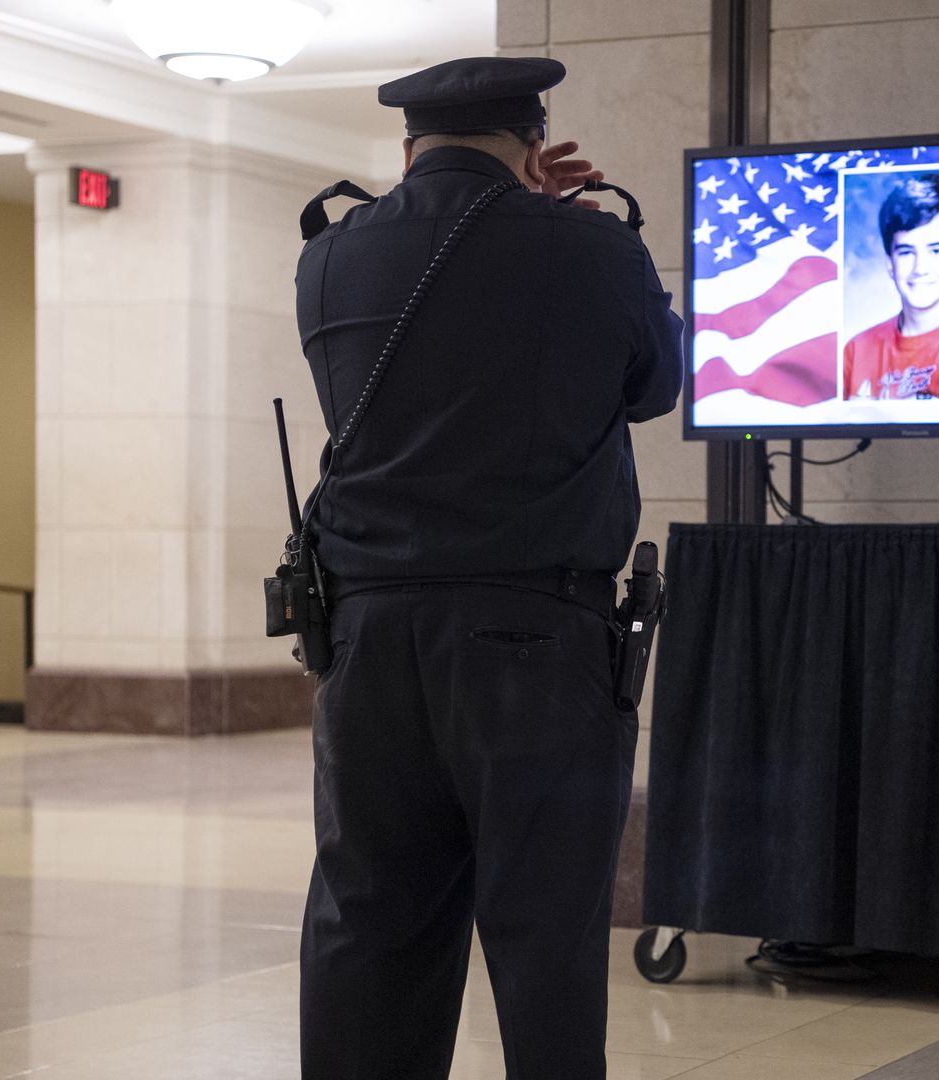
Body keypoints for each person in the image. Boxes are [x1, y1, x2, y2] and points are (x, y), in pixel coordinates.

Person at [290, 55, 683, 1080]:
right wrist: (551, 221)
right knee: (544, 935)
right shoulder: (595, 250)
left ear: (408, 145)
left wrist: (515, 217)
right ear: (529, 137)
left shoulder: (329, 257)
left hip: (368, 645)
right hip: (536, 643)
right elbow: (653, 386)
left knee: (367, 923)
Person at [842, 171, 939, 401]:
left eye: (935, 250)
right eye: (906, 252)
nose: (920, 268)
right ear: (890, 264)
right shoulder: (856, 350)